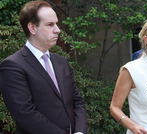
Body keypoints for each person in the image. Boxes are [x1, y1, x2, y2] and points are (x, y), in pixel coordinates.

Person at [0, 1, 87, 134]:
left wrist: (80, 132)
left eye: (56, 23)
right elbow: (25, 114)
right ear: (32, 28)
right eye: (50, 24)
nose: (57, 29)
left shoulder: (61, 62)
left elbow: (77, 102)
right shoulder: (13, 66)